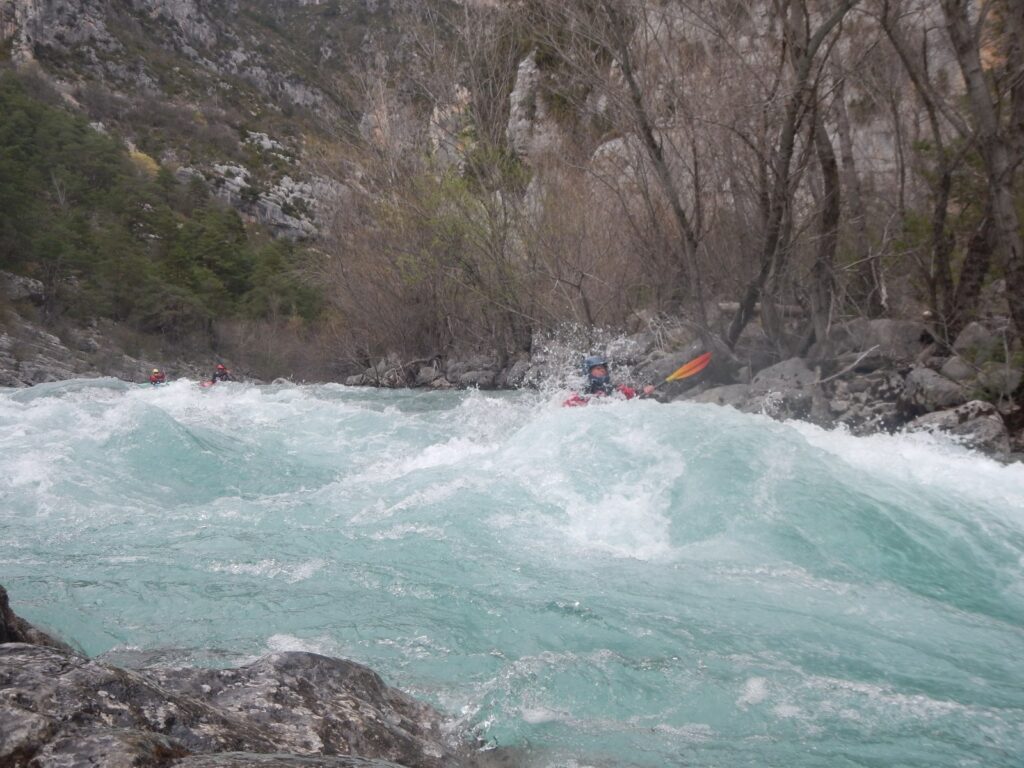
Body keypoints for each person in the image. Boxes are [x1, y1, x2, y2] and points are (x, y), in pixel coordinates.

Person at [563, 355, 655, 407]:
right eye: (598, 368)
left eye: (604, 369)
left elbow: (635, 394)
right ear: (588, 372)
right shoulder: (580, 393)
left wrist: (645, 390)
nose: (603, 371)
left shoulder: (615, 389)